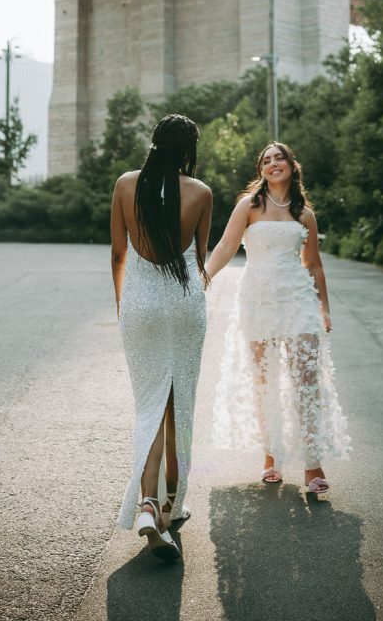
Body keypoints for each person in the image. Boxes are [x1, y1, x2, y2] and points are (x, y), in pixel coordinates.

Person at [207, 142, 350, 490]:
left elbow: (313, 263)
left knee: (306, 378)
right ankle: (271, 457)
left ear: (291, 166)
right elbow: (226, 246)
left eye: (279, 158)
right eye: (267, 160)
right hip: (258, 299)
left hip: (298, 299)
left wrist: (324, 307)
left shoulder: (305, 214)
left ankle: (313, 466)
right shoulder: (249, 207)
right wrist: (204, 278)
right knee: (265, 380)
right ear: (261, 170)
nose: (273, 164)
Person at [110, 113, 212, 561]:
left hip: (140, 307)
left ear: (153, 142)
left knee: (149, 402)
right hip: (185, 306)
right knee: (177, 403)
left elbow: (118, 253)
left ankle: (147, 503)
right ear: (189, 150)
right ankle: (172, 506)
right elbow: (199, 259)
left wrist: (124, 307)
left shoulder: (125, 184)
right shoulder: (201, 193)